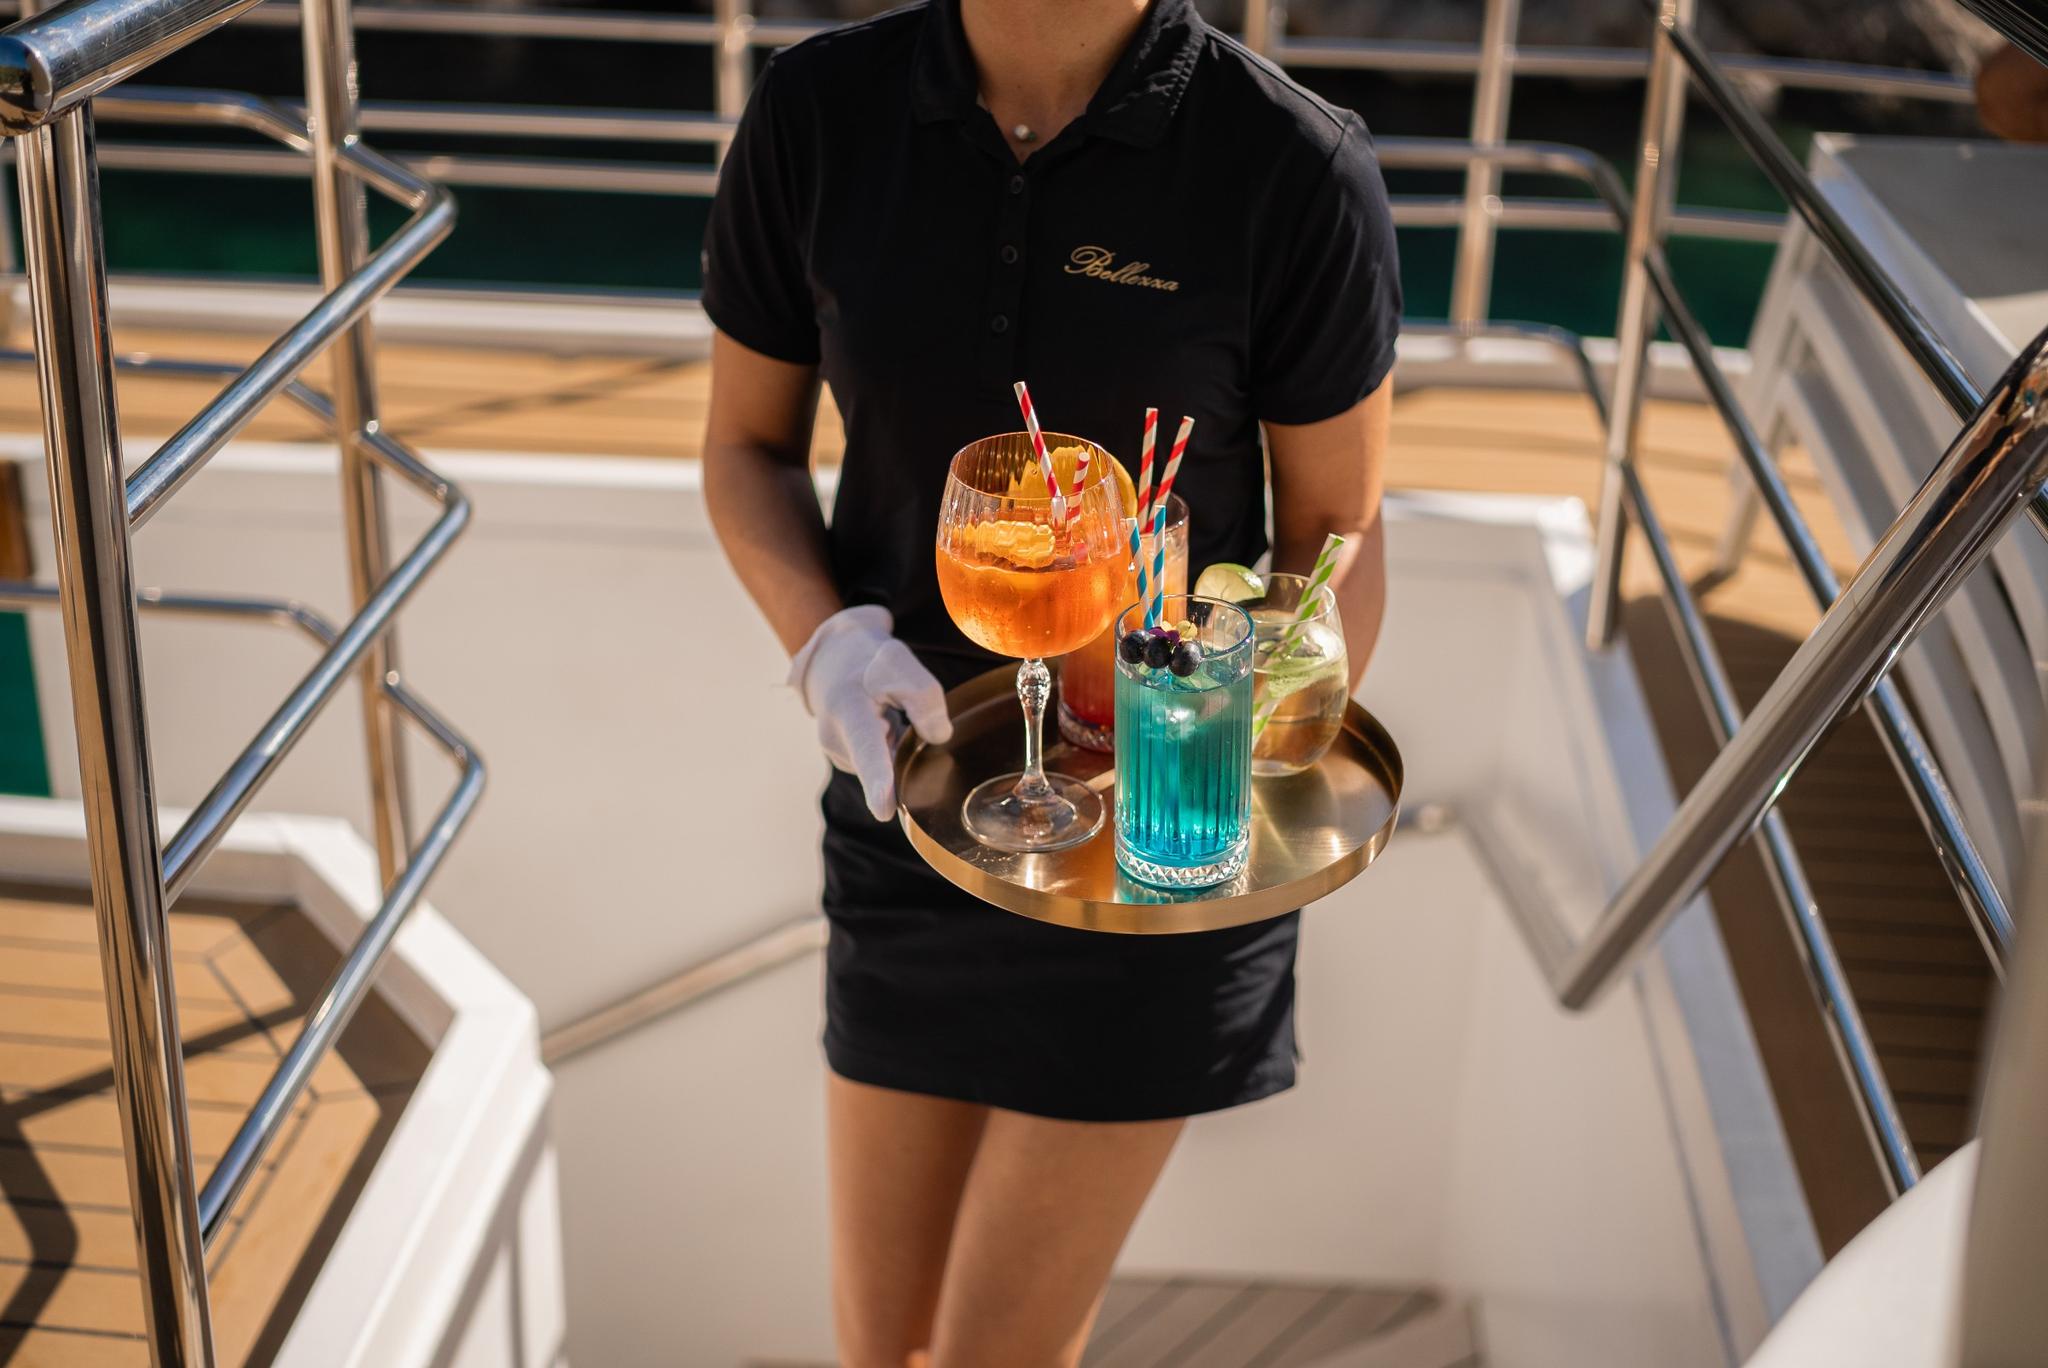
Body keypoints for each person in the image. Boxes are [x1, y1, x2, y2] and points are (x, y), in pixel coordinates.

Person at [700, 0, 1399, 1360]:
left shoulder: (1290, 166)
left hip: (1153, 842)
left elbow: (1337, 533)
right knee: (880, 1350)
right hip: (912, 791)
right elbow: (746, 450)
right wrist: (830, 643)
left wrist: (1223, 753)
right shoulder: (816, 114)